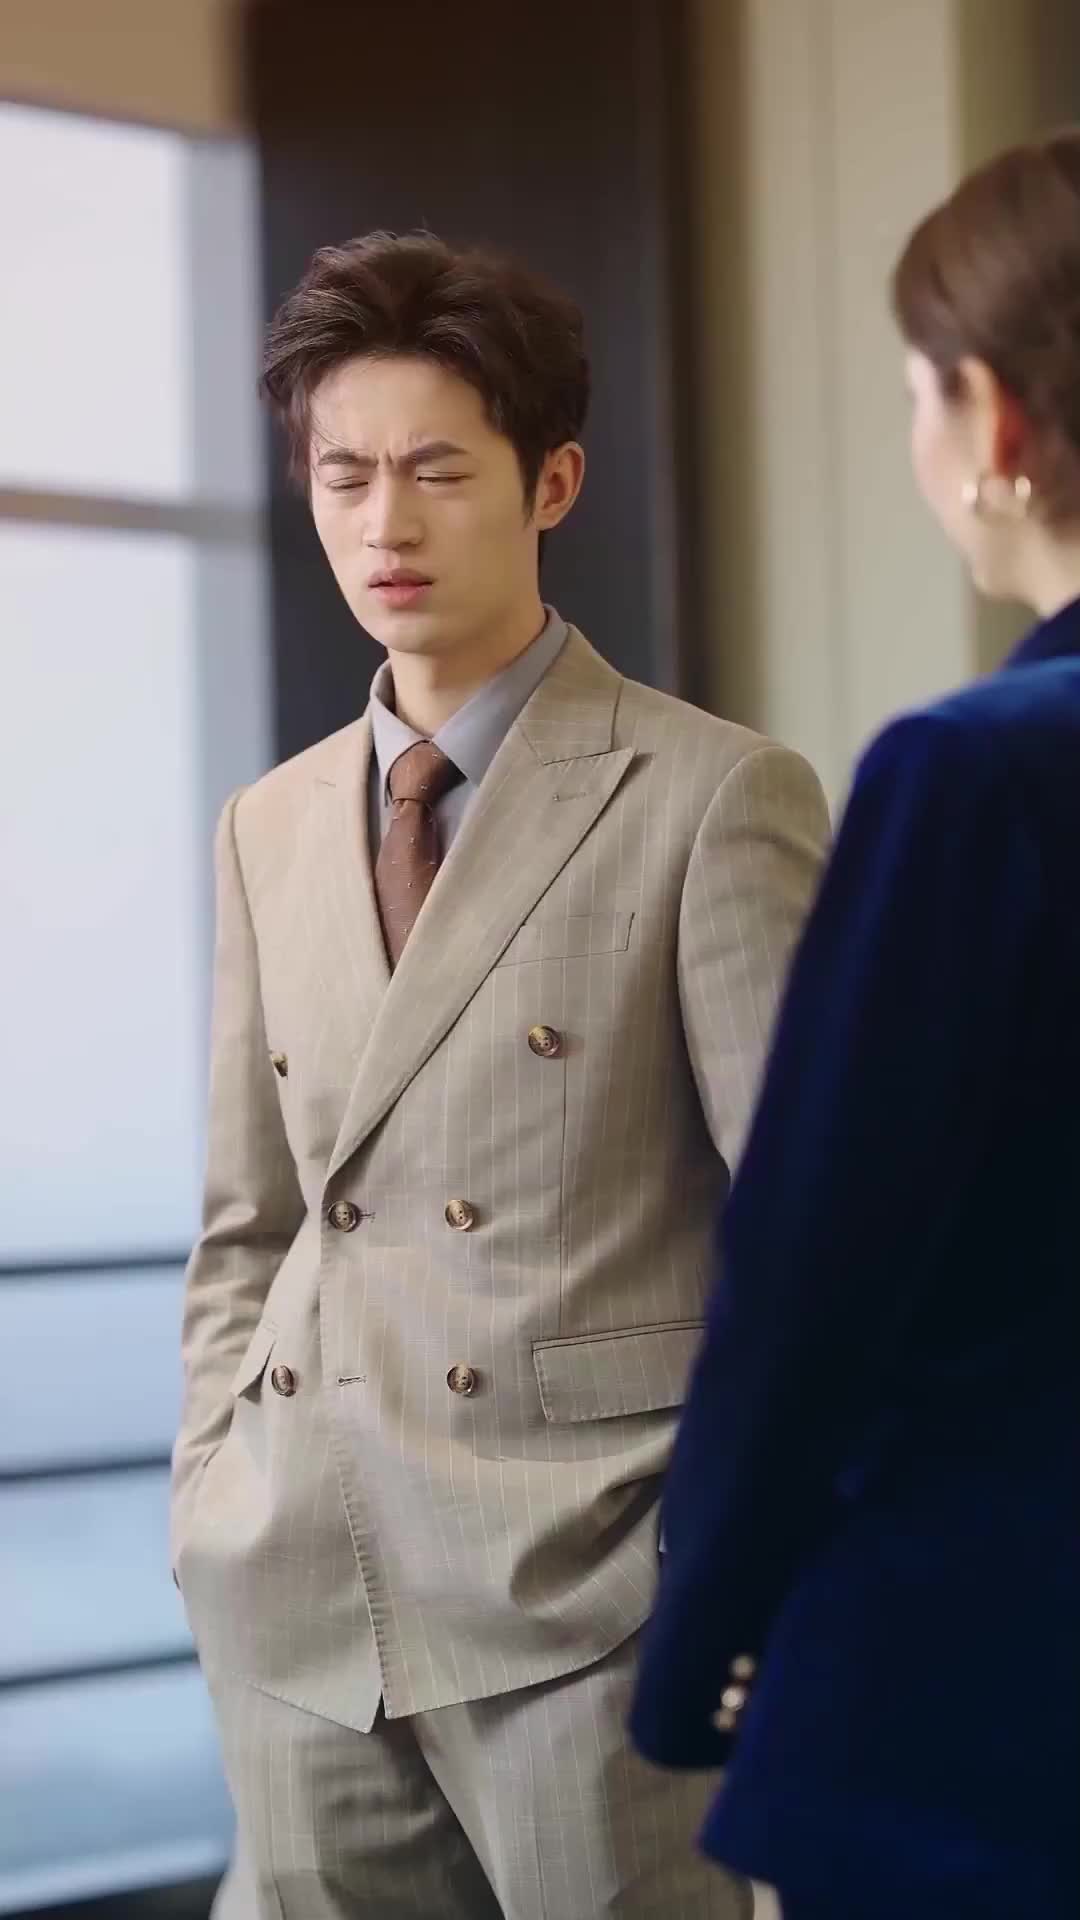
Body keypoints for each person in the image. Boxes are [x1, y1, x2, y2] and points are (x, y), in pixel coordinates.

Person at [170, 230, 829, 1919]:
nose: (383, 526)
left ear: (553, 483)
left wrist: (718, 1567)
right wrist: (208, 1497)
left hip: (588, 1601)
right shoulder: (268, 823)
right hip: (300, 1594)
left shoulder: (711, 796)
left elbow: (808, 1236)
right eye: (344, 477)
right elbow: (250, 1220)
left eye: (437, 472)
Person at [631, 131, 1080, 1920]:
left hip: (983, 1718)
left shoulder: (980, 775)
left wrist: (698, 1643)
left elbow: (817, 1269)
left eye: (916, 391)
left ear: (994, 419)